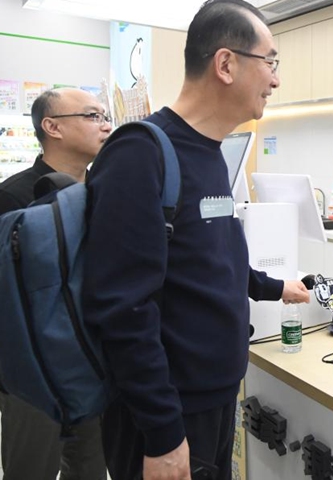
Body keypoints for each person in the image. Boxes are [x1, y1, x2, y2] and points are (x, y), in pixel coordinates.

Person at [81, 1, 310, 479]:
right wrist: (164, 436)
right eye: (270, 62)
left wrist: (276, 287)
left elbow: (212, 259)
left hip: (214, 399)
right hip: (166, 416)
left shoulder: (210, 155)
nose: (275, 79)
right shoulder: (141, 153)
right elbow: (122, 309)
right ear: (226, 64)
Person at [0, 87, 111, 480]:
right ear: (52, 127)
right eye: (92, 116)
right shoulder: (13, 197)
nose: (105, 125)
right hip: (31, 373)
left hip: (91, 364)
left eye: (105, 115)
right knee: (30, 469)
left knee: (91, 469)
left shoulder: (106, 193)